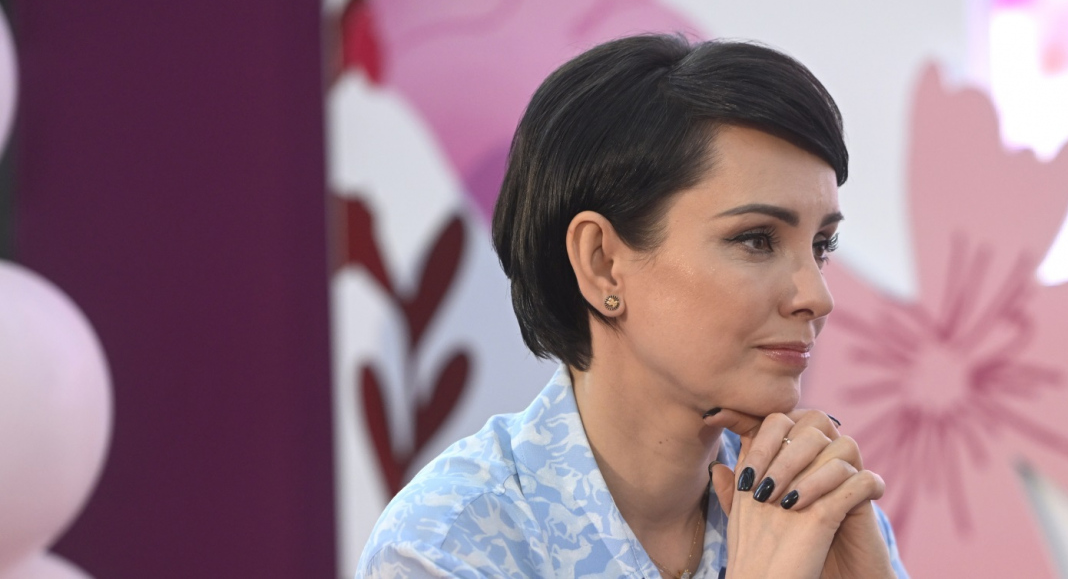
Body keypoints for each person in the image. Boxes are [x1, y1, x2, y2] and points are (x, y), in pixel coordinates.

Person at [356, 34, 909, 579]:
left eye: (822, 246)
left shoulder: (812, 511)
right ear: (601, 262)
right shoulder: (447, 545)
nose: (817, 297)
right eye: (756, 239)